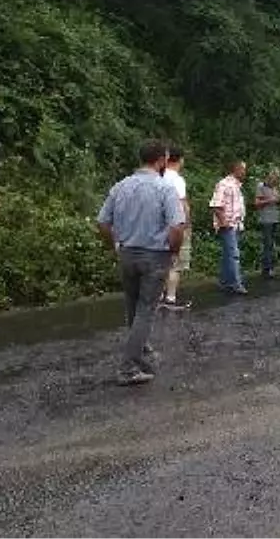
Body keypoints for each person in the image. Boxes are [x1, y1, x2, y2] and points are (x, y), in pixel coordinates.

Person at [96, 140, 185, 386]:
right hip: (154, 256)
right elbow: (177, 227)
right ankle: (128, 367)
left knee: (133, 307)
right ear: (161, 161)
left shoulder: (121, 186)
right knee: (146, 310)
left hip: (127, 253)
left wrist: (114, 244)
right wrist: (173, 251)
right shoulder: (164, 188)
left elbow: (103, 222)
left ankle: (142, 350)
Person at [209, 160, 248, 294]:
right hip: (228, 224)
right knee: (233, 254)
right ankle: (236, 283)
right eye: (243, 169)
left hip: (236, 224)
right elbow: (216, 204)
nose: (245, 172)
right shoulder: (224, 184)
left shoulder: (236, 185)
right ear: (236, 169)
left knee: (228, 254)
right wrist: (223, 221)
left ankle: (225, 281)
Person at [161, 147, 192, 309]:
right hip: (176, 225)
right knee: (176, 262)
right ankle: (170, 298)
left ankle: (157, 295)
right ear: (180, 160)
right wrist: (186, 224)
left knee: (161, 261)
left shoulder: (159, 176)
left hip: (159, 226)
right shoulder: (177, 179)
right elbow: (181, 203)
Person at [255, 168, 280, 278]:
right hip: (266, 219)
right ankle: (267, 269)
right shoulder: (261, 186)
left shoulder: (275, 188)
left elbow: (277, 201)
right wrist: (269, 201)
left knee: (272, 244)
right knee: (268, 244)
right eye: (274, 179)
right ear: (269, 177)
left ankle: (269, 267)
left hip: (275, 218)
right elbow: (257, 203)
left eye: (277, 180)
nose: (275, 182)